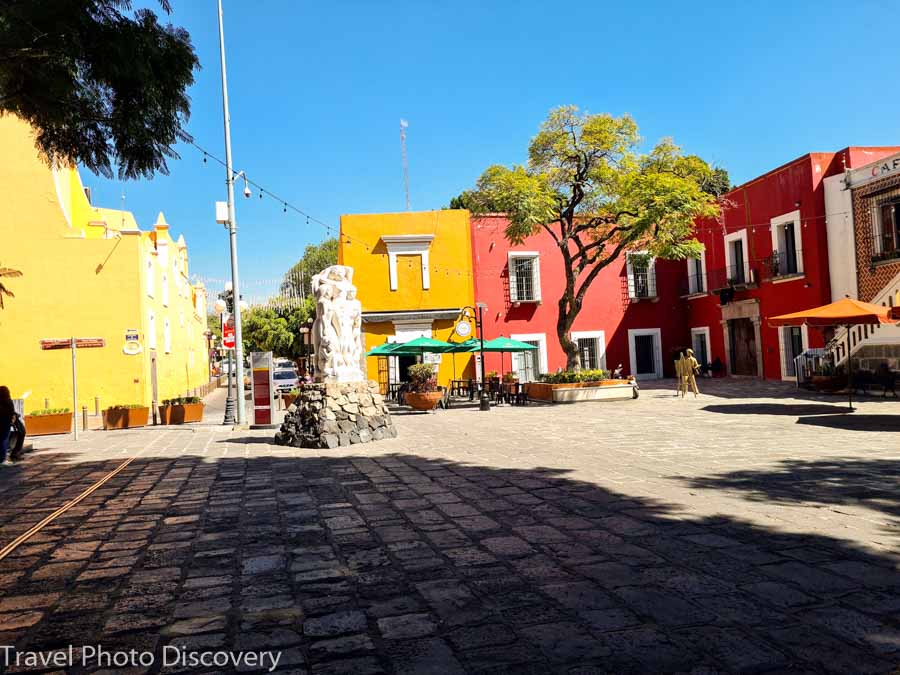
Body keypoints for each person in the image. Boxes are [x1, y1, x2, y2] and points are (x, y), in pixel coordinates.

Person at [0, 386, 16, 464]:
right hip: (6, 423)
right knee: (4, 440)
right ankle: (3, 459)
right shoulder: (8, 401)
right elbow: (11, 412)